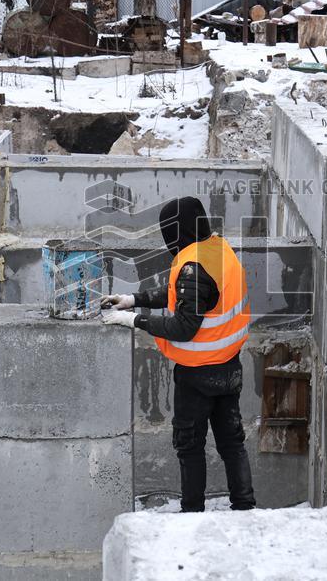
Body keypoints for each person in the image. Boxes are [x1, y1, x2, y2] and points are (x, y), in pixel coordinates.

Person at [101, 197, 256, 513]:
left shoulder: (192, 266)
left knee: (189, 446)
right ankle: (245, 507)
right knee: (232, 442)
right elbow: (187, 297)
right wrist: (134, 299)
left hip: (197, 373)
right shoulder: (217, 249)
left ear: (176, 230)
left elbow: (184, 324)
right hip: (228, 366)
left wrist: (134, 320)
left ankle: (192, 513)